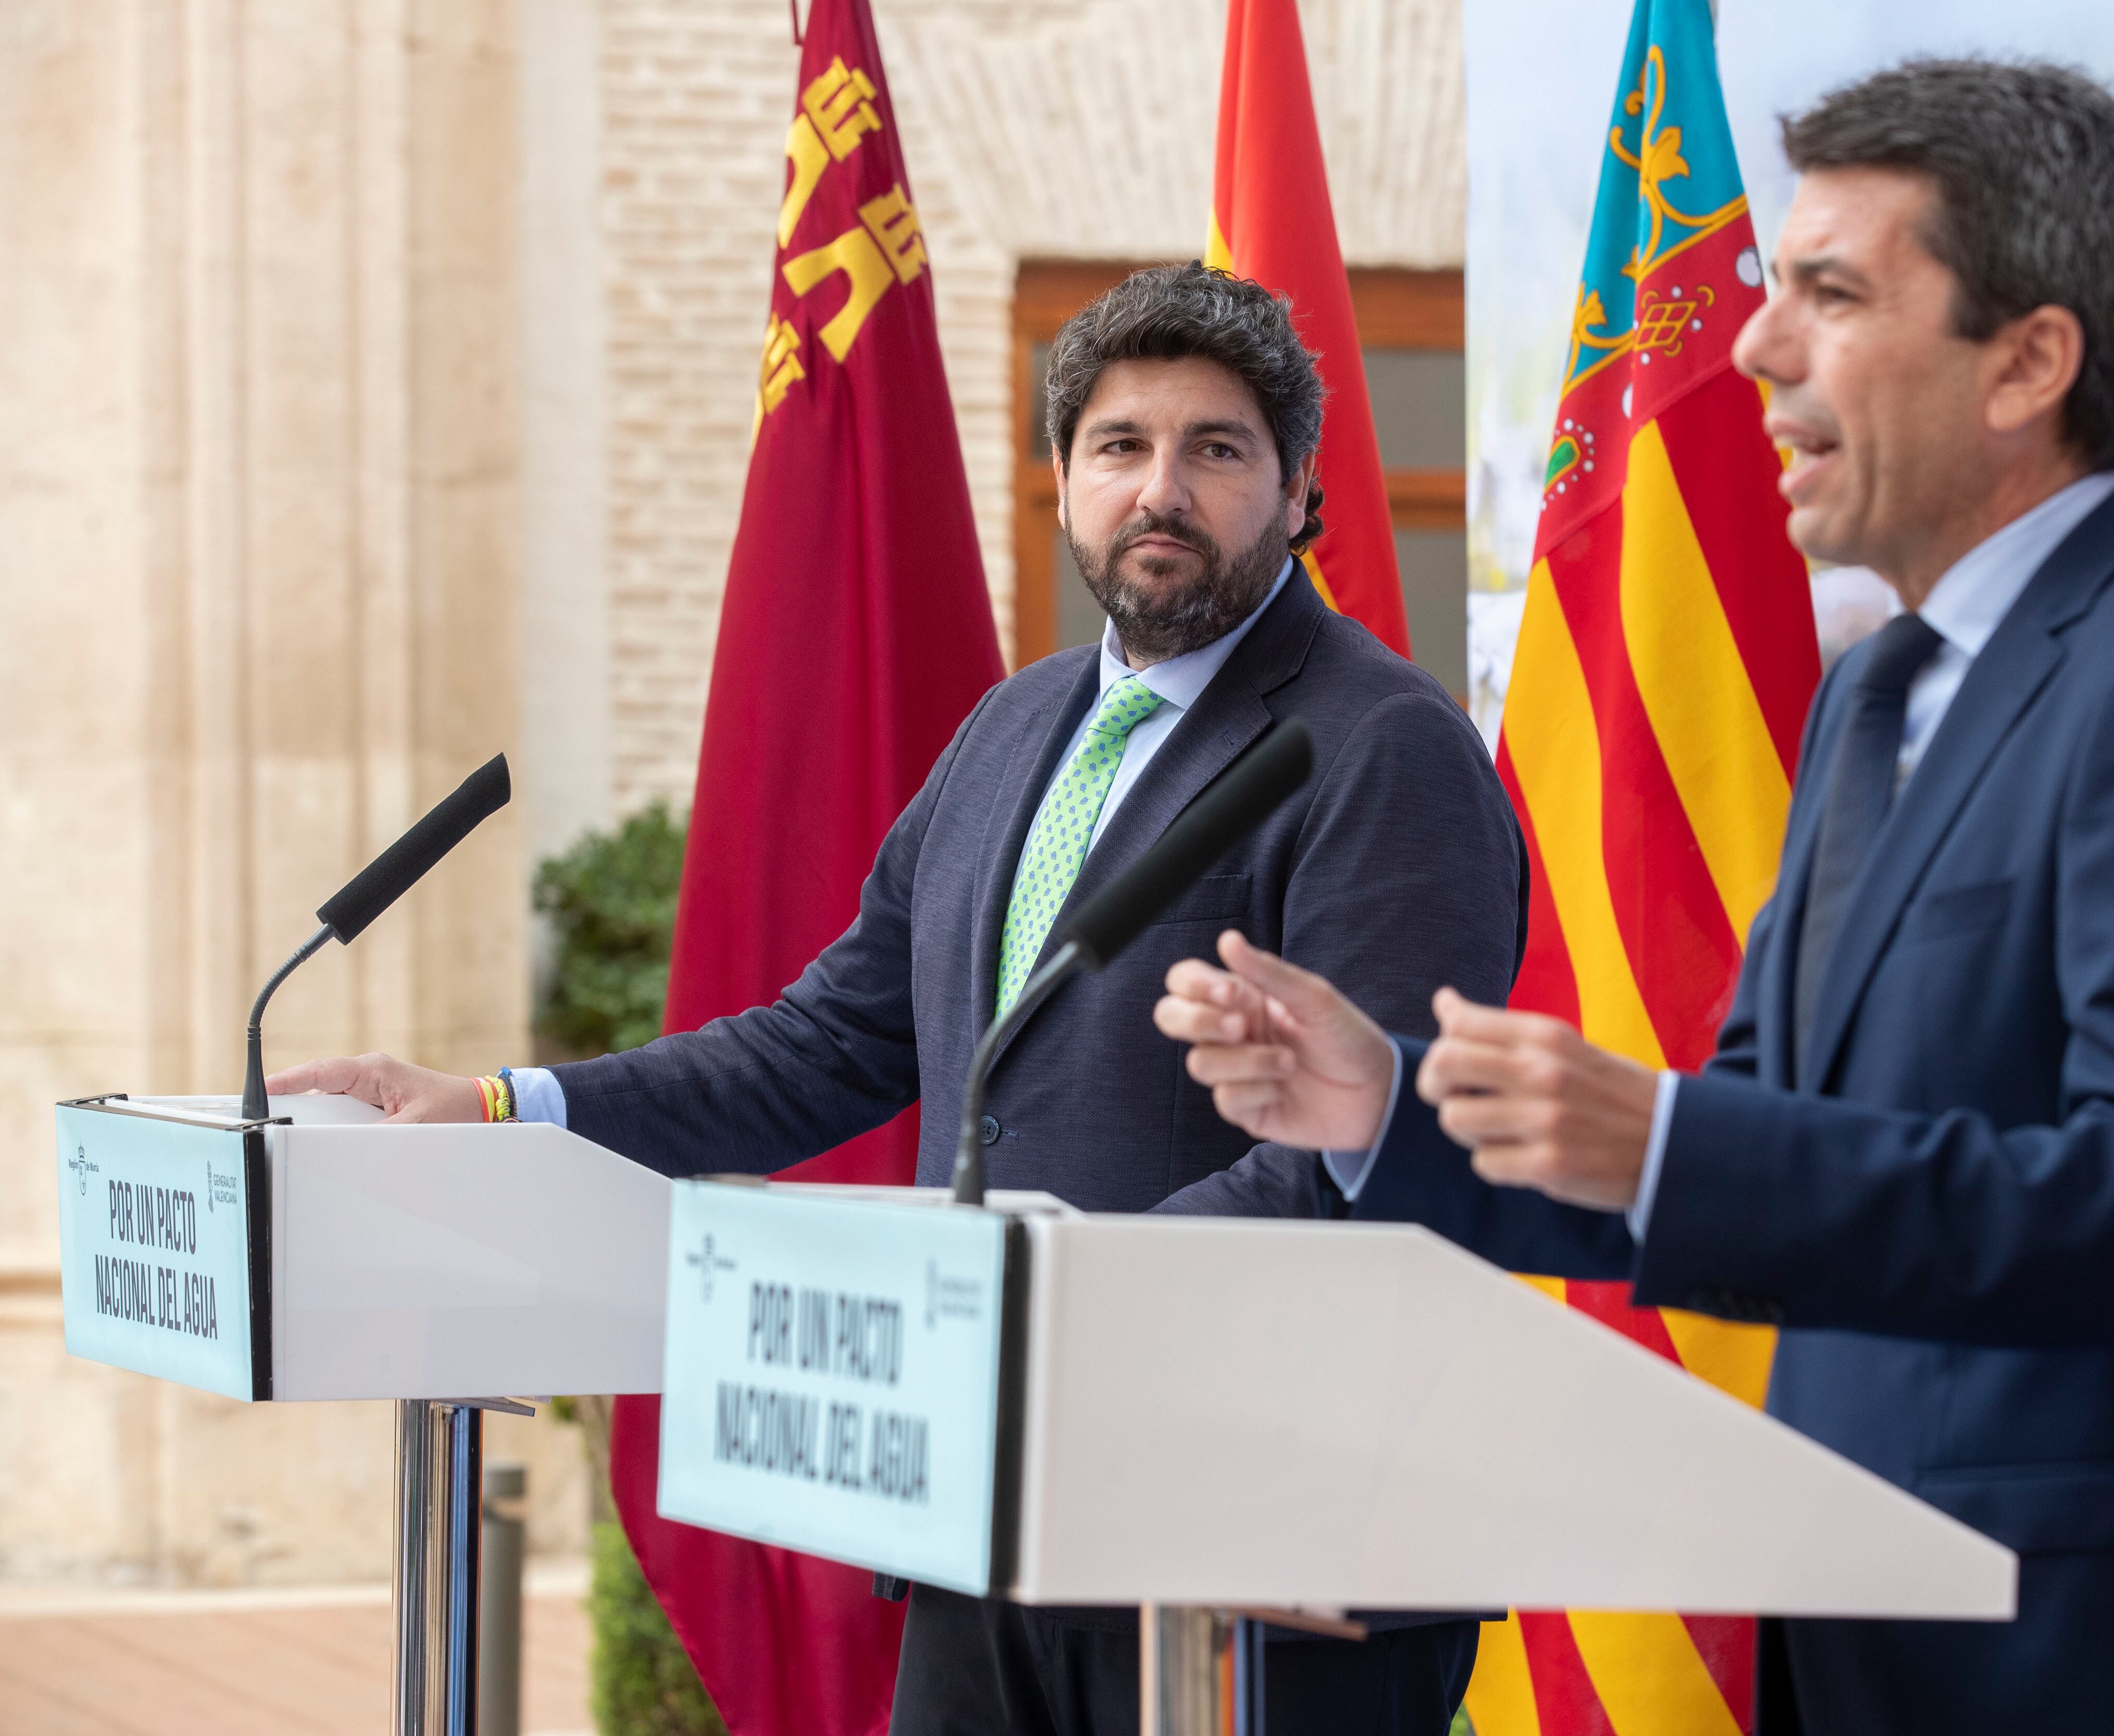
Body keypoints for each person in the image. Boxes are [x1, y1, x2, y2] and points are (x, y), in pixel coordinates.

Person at [1156, 60, 2114, 1736]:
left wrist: (1669, 1144)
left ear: (2030, 361)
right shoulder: (1876, 702)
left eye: (1832, 293)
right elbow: (1742, 1145)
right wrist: (1384, 1105)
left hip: (2106, 1669)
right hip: (1870, 1650)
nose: (1753, 343)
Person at [271, 264, 1518, 1736]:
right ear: (1063, 481)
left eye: (1218, 449)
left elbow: (1370, 1143)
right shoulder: (1016, 727)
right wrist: (500, 1107)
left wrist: (1043, 1317)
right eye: (1120, 447)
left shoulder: (1384, 748)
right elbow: (832, 1040)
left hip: (1263, 1539)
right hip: (993, 1513)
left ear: (1302, 489)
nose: (1161, 490)